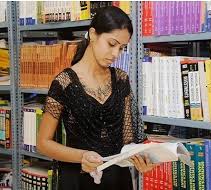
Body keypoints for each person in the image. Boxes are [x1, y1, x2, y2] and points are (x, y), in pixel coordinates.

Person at [37, 6, 155, 190]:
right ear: (93, 34)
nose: (116, 54)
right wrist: (82, 156)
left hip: (118, 180)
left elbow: (129, 138)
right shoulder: (64, 83)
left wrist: (142, 158)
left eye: (122, 48)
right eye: (111, 44)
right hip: (78, 179)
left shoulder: (122, 79)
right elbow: (43, 143)